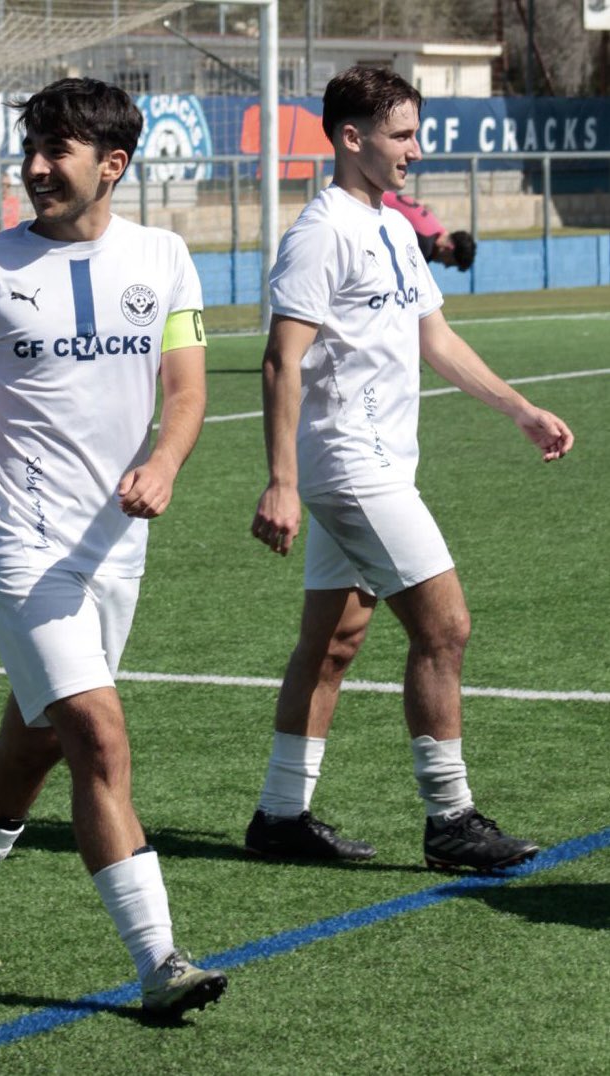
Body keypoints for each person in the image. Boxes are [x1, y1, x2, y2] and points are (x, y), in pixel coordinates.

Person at [0, 77, 226, 1016]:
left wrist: (165, 463)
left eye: (58, 152)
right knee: (96, 733)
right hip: (19, 540)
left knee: (37, 738)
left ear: (112, 165)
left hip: (114, 547)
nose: (36, 168)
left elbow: (186, 392)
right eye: (32, 150)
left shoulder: (164, 257)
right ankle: (160, 960)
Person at [246, 66, 573, 872]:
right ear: (350, 138)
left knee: (333, 642)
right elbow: (279, 361)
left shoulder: (392, 228)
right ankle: (449, 818)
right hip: (349, 467)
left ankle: (280, 815)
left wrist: (520, 410)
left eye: (415, 134)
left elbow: (437, 340)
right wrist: (281, 480)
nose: (414, 151)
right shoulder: (320, 232)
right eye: (401, 135)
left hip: (382, 461)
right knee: (445, 626)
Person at [381, 190, 476, 271]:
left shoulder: (432, 226)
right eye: (450, 262)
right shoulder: (425, 244)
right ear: (449, 248)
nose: (445, 266)